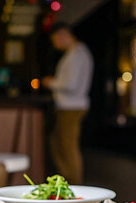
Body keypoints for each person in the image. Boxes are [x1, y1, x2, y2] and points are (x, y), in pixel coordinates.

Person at [42, 23, 93, 184]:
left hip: (72, 107)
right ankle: (67, 183)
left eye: (55, 40)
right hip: (69, 106)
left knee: (68, 148)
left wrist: (51, 83)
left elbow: (70, 84)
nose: (55, 44)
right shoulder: (74, 53)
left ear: (63, 34)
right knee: (58, 144)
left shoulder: (77, 54)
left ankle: (74, 185)